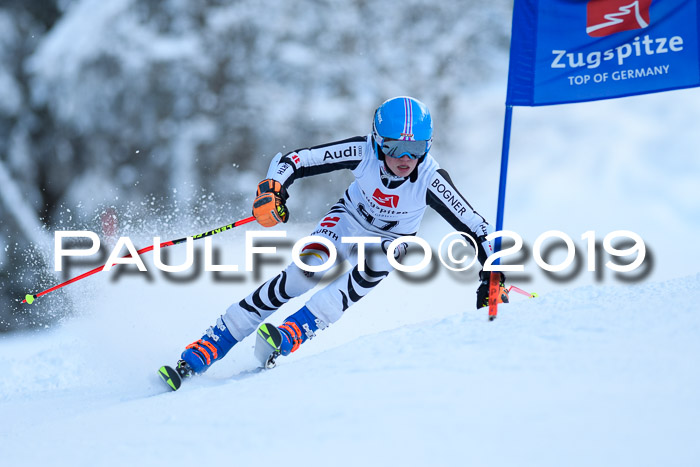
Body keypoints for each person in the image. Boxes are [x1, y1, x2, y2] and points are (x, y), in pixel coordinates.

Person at [177, 96, 508, 376]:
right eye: (394, 146)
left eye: (416, 148)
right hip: (348, 220)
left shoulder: (430, 177)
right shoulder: (362, 150)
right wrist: (273, 189)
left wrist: (492, 274)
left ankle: (292, 333)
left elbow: (478, 227)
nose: (405, 158)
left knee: (374, 266)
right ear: (378, 140)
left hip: (391, 241)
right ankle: (215, 340)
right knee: (303, 274)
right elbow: (295, 160)